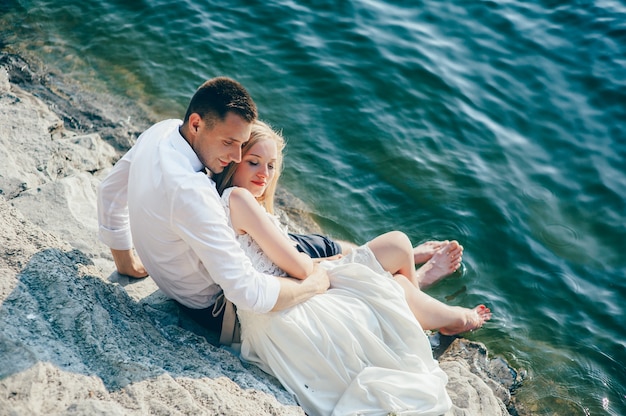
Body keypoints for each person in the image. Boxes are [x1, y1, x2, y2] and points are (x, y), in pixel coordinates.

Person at [212, 120, 492, 415]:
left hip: (283, 300)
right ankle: (448, 317)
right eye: (254, 162)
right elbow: (297, 267)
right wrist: (330, 264)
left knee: (394, 256)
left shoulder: (239, 203)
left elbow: (285, 264)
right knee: (395, 263)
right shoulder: (239, 198)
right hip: (289, 309)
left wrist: (328, 263)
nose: (263, 174)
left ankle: (422, 307)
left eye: (270, 166)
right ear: (234, 160)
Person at [97, 77, 331, 333]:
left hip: (187, 282)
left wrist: (125, 264)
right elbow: (247, 292)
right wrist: (313, 284)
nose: (236, 157)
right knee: (331, 256)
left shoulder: (162, 132)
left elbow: (109, 191)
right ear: (196, 124)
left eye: (242, 145)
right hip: (218, 310)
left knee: (324, 247)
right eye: (228, 142)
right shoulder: (191, 192)